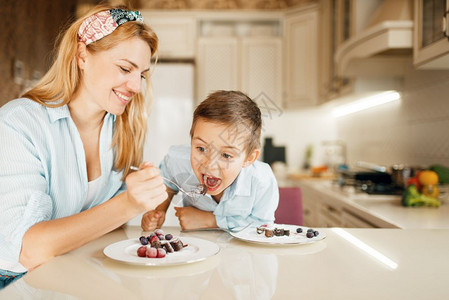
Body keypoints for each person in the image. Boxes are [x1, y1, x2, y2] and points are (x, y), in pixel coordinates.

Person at [0, 4, 167, 287]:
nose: (136, 86)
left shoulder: (121, 127)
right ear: (82, 56)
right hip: (14, 282)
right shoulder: (18, 124)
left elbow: (101, 222)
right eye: (125, 68)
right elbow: (27, 250)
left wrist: (145, 195)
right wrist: (127, 203)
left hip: (74, 273)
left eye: (141, 74)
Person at [141, 90, 279, 231]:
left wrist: (211, 221)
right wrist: (159, 211)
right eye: (201, 149)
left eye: (226, 155)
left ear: (249, 158)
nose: (209, 165)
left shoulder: (261, 181)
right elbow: (168, 180)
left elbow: (263, 226)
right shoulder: (178, 161)